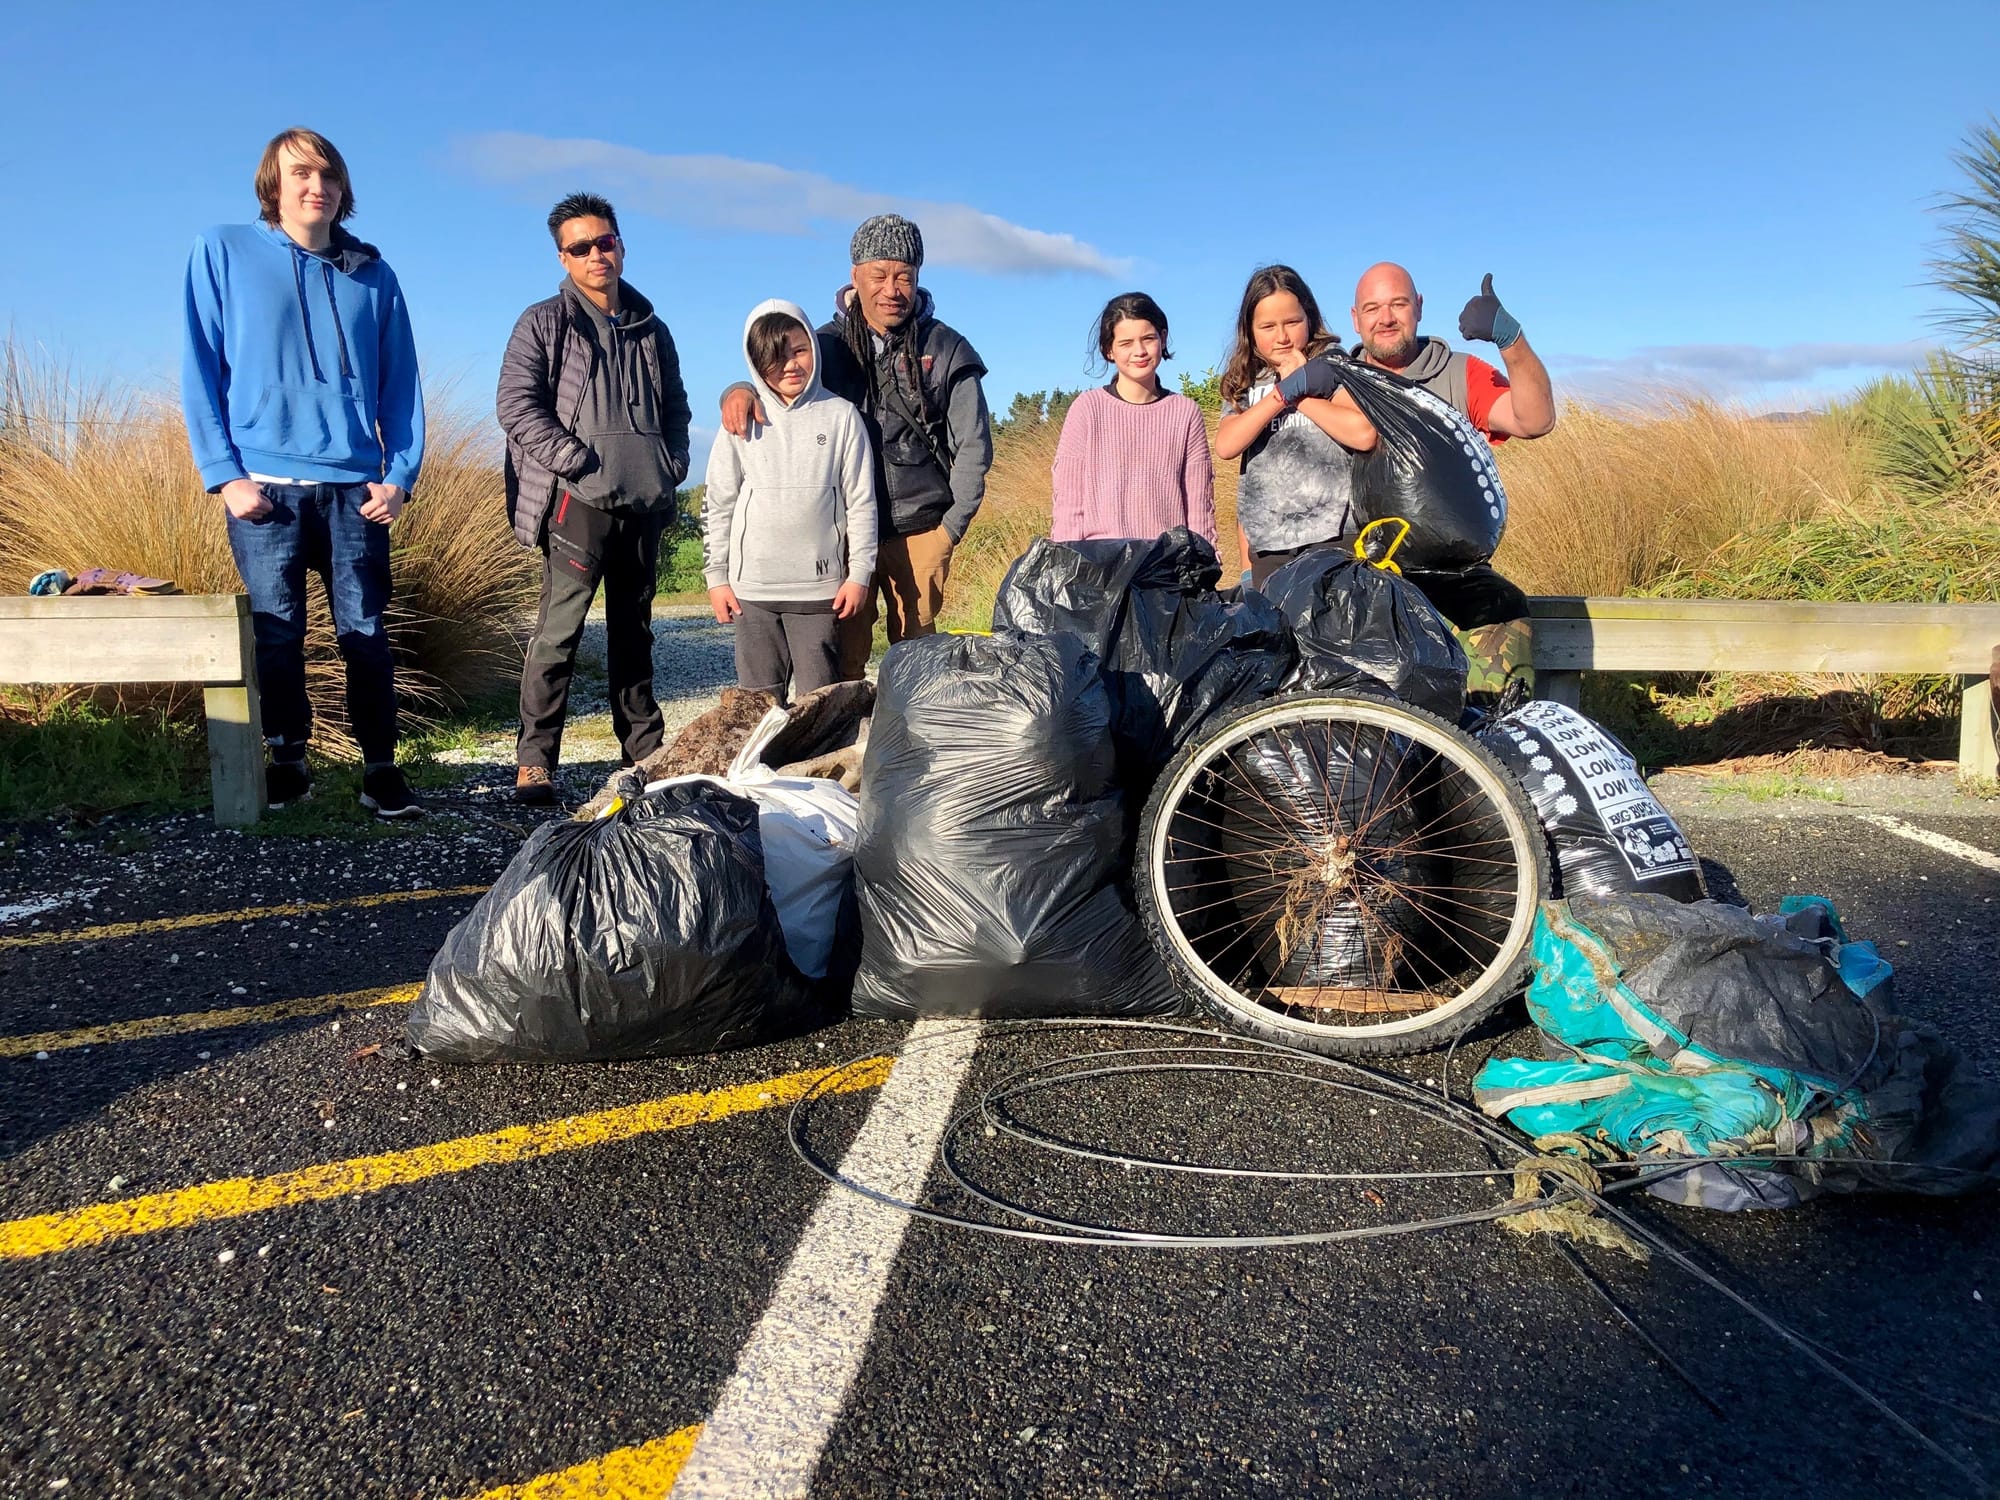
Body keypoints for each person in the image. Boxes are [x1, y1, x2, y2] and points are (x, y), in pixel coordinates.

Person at [181, 127, 426, 819]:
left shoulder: (373, 274)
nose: (315, 186)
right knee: (278, 635)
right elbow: (200, 367)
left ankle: (381, 770)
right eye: (300, 174)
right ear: (274, 185)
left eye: (328, 175)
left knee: (366, 635)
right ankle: (289, 760)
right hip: (264, 490)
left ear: (343, 189)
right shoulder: (221, 250)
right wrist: (225, 475)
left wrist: (399, 475)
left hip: (356, 490)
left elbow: (402, 384)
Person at [720, 215, 991, 679]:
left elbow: (974, 445)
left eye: (904, 275)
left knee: (918, 658)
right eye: (878, 275)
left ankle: (909, 748)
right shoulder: (821, 343)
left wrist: (950, 529)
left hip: (923, 527)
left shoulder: (947, 348)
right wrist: (738, 389)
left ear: (918, 277)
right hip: (842, 533)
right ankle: (845, 746)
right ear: (855, 276)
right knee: (842, 658)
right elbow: (778, 374)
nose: (892, 289)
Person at [497, 192, 691, 806]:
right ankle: (535, 762)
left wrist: (672, 465)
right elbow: (515, 406)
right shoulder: (544, 322)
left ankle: (644, 754)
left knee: (634, 633)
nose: (595, 255)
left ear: (621, 246)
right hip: (577, 504)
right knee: (559, 632)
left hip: (645, 504)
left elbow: (678, 410)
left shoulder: (653, 329)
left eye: (604, 242)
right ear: (563, 257)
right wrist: (575, 461)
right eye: (580, 247)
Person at [1347, 262, 1556, 696]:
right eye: (1373, 308)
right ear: (1355, 318)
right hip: (1356, 576)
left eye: (1398, 304)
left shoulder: (1458, 374)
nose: (1385, 318)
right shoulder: (1335, 382)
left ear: (1419, 307)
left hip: (1449, 575)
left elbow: (1534, 420)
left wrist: (1510, 339)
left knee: (1502, 604)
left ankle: (1489, 739)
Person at [702, 300, 877, 704]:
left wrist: (859, 574)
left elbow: (862, 502)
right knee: (757, 706)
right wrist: (717, 579)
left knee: (818, 702)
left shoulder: (841, 416)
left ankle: (812, 770)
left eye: (799, 351)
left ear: (814, 347)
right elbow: (719, 501)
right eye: (775, 359)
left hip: (820, 593)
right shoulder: (739, 420)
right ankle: (758, 769)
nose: (790, 366)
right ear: (755, 363)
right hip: (752, 595)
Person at [1212, 266, 1378, 590]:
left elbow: (1362, 432)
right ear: (1250, 329)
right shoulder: (1246, 377)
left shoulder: (1332, 364)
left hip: (1336, 540)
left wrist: (1300, 393)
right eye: (1268, 326)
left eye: (1292, 322)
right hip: (1269, 547)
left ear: (1310, 317)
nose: (1282, 336)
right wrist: (1280, 395)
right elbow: (1227, 445)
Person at [1049, 292, 1216, 548]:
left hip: (1166, 568)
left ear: (1162, 338)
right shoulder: (1087, 408)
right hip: (1102, 569)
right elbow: (1069, 505)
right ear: (1109, 351)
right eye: (1126, 343)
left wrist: (1204, 563)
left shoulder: (1186, 412)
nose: (1139, 351)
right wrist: (1067, 565)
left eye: (1148, 339)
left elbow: (1198, 506)